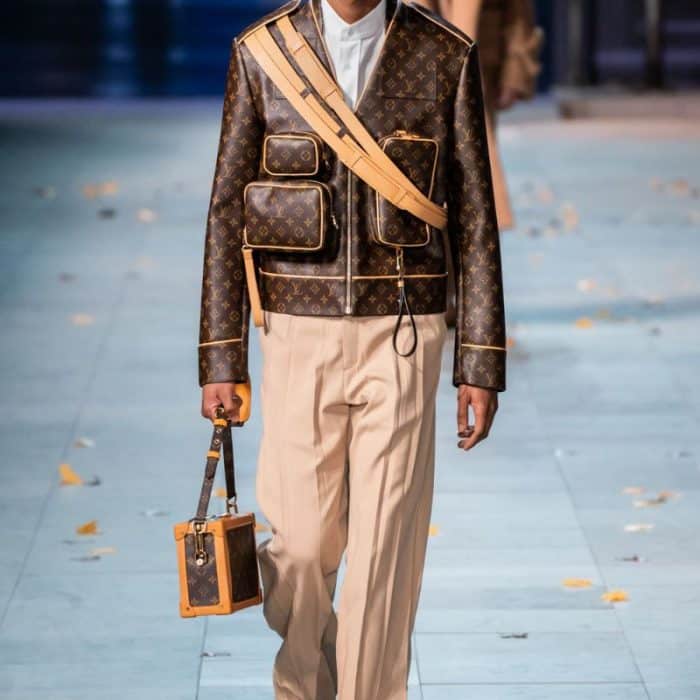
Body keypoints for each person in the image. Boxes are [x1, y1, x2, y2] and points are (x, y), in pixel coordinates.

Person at [197, 0, 506, 698]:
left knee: (384, 550)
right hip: (294, 329)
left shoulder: (444, 55)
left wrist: (479, 361)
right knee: (302, 548)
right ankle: (305, 683)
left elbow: (475, 217)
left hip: (404, 330)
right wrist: (221, 354)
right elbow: (225, 212)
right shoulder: (263, 53)